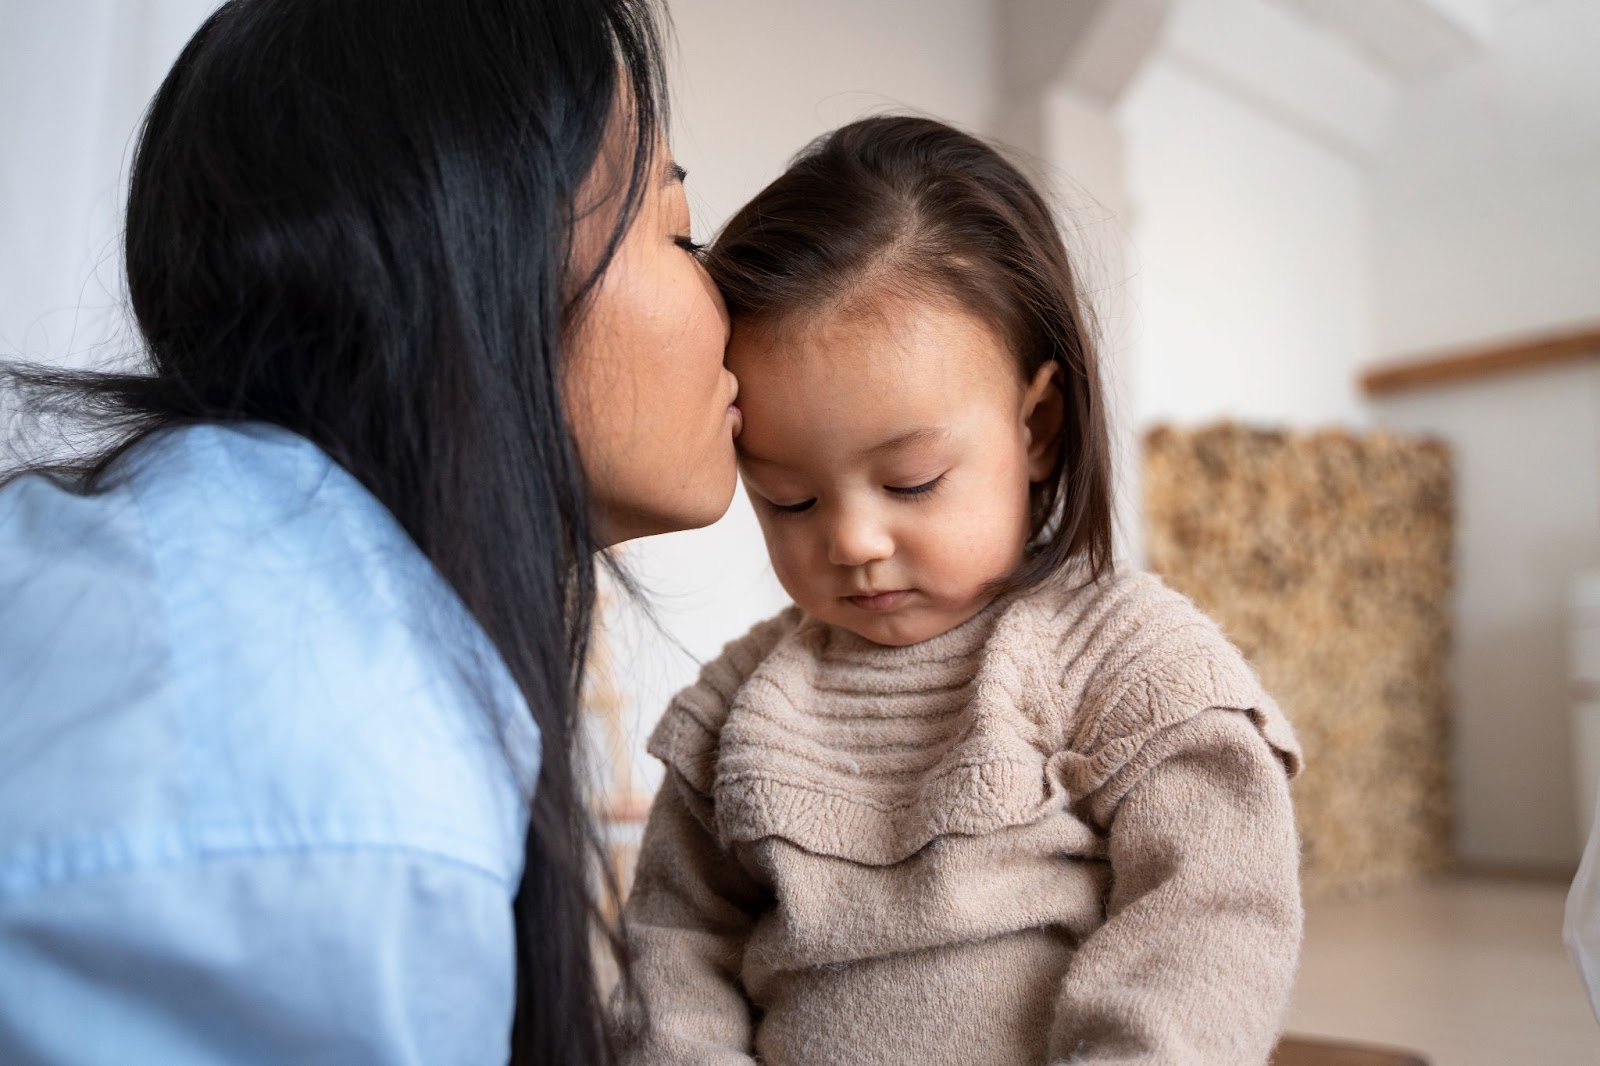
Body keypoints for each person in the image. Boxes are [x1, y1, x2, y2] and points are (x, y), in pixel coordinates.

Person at [0, 1, 734, 1063]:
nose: (729, 301)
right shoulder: (341, 791)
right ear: (484, 244)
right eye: (680, 233)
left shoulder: (196, 557)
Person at [617, 116, 1305, 1066]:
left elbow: (1211, 920)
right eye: (791, 498)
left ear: (1039, 427)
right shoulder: (737, 709)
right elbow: (673, 952)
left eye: (910, 483)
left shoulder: (1130, 664)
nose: (854, 541)